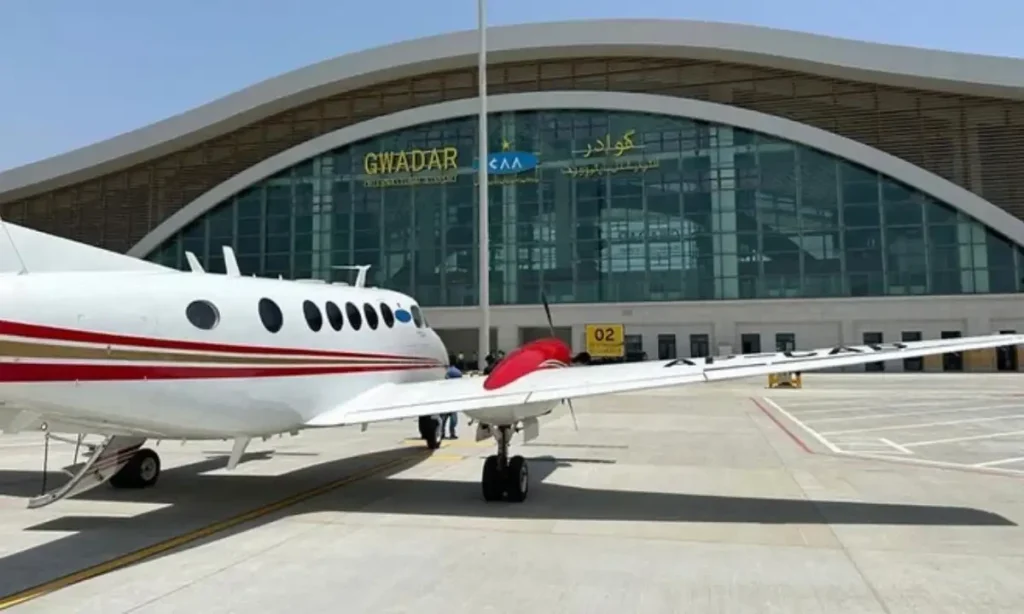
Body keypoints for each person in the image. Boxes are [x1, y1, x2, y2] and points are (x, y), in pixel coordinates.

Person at [442, 363, 462, 438]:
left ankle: (442, 433)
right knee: (453, 418)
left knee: (443, 418)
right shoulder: (458, 372)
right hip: (453, 398)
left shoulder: (444, 372)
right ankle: (452, 432)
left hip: (445, 398)